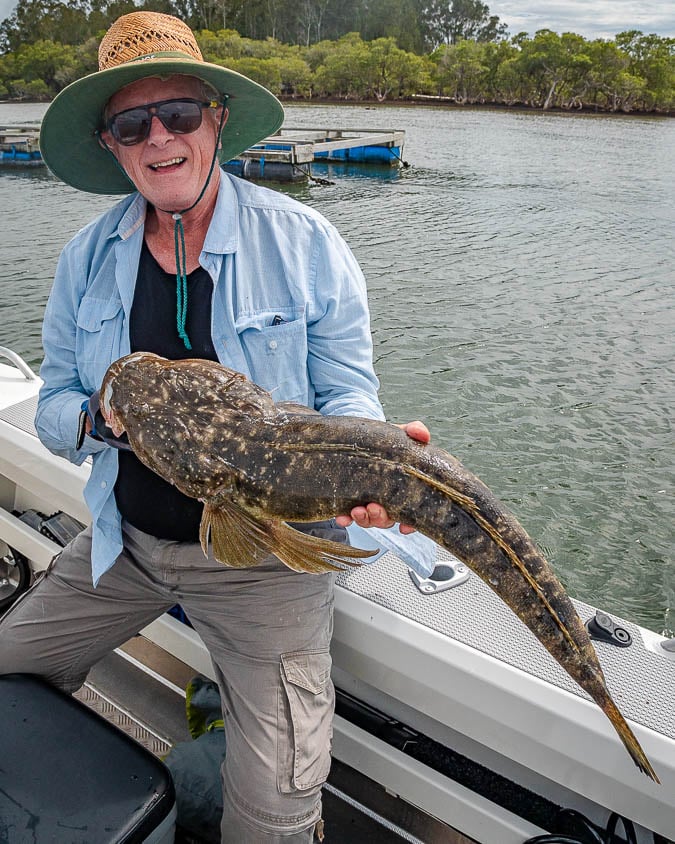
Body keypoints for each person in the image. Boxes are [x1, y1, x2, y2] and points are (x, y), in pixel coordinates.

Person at [0, 11, 434, 843]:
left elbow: (347, 395)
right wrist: (97, 416)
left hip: (269, 563)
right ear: (113, 144)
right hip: (121, 545)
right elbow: (54, 405)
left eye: (179, 115)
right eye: (132, 123)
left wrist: (365, 468)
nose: (158, 136)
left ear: (217, 122)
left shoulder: (305, 242)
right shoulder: (85, 260)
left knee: (274, 815)